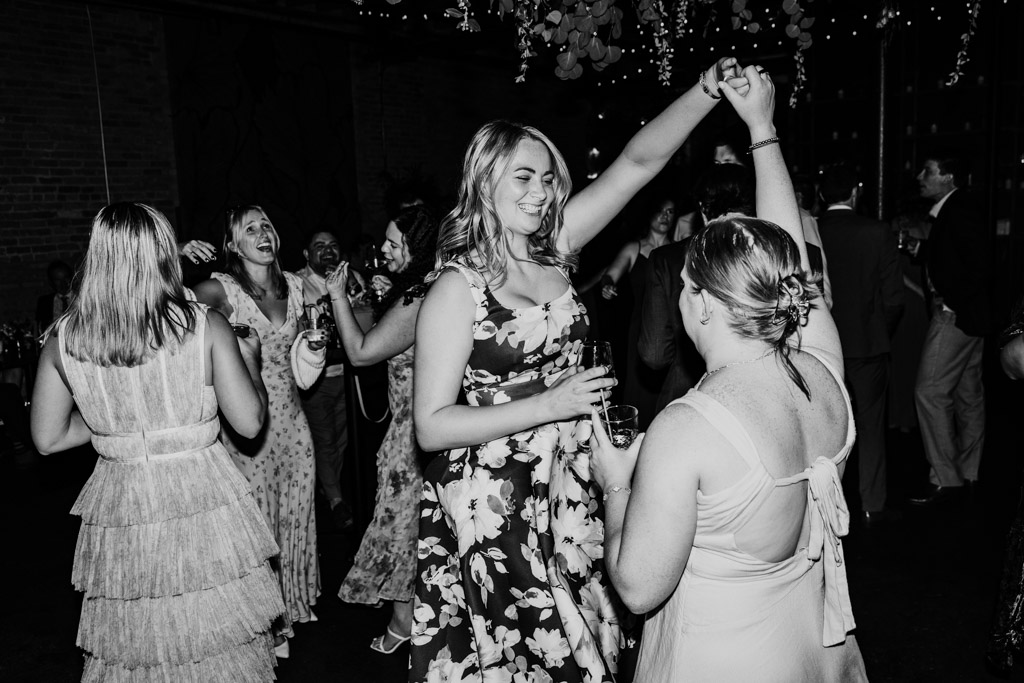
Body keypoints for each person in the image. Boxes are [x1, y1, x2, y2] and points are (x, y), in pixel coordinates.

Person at [411, 57, 750, 682]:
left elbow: (637, 165)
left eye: (548, 178)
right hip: (497, 497)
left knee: (581, 634)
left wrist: (706, 92)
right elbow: (430, 427)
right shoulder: (455, 290)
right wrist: (551, 403)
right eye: (523, 178)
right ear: (485, 182)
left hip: (569, 476)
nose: (541, 193)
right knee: (535, 648)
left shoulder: (557, 251)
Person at [591, 65, 868, 681]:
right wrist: (762, 129)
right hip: (810, 646)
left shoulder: (687, 427)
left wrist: (615, 485)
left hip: (721, 658)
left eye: (687, 287)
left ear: (707, 304)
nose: (683, 296)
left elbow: (638, 590)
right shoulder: (823, 371)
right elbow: (791, 260)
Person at [29, 202, 285, 680]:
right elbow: (249, 423)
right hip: (200, 496)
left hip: (122, 504)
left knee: (138, 638)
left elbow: (47, 438)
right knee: (212, 637)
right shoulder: (204, 324)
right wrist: (251, 359)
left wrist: (116, 428)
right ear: (164, 253)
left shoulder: (64, 338)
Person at [193, 205, 324, 649]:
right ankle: (262, 620)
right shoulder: (219, 288)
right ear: (233, 245)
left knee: (294, 519)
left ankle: (288, 608)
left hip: (292, 423)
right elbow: (171, 317)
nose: (263, 232)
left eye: (267, 224)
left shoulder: (298, 287)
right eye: (250, 228)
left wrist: (313, 347)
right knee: (257, 527)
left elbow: (302, 359)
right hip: (247, 429)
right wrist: (172, 259)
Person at [324, 205, 438, 655]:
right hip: (414, 430)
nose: (384, 250)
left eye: (394, 243)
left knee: (401, 526)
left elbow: (360, 353)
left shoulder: (417, 301)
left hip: (412, 437)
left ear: (417, 248)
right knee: (413, 526)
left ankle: (402, 624)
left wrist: (337, 296)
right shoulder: (423, 290)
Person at [818, 163, 904, 527]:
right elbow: (894, 298)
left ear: (822, 195)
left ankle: (824, 507)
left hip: (821, 346)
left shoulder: (812, 230)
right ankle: (872, 503)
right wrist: (877, 330)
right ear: (855, 192)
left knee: (823, 428)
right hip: (867, 344)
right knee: (870, 429)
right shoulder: (877, 231)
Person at [908, 152, 993, 506]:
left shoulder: (958, 210)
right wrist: (924, 249)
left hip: (956, 315)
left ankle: (946, 477)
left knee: (929, 392)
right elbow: (962, 254)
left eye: (928, 170)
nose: (919, 176)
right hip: (974, 316)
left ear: (948, 176)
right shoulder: (960, 207)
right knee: (968, 394)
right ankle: (970, 471)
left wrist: (952, 303)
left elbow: (980, 265)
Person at [638, 162, 755, 414]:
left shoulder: (667, 259)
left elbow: (654, 353)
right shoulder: (781, 253)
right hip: (760, 398)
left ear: (702, 209)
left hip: (687, 399)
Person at [297, 229, 362, 530]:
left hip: (350, 377)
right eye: (319, 246)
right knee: (325, 442)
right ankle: (335, 500)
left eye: (333, 245)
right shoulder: (296, 285)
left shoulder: (355, 279)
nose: (327, 251)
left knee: (343, 440)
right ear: (306, 254)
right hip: (318, 378)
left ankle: (330, 488)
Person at [596, 192, 677, 427]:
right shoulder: (635, 247)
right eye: (661, 210)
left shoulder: (677, 249)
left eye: (670, 211)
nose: (665, 216)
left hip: (674, 331)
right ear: (649, 214)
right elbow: (611, 274)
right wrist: (607, 286)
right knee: (639, 393)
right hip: (641, 329)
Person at [35, 260, 74, 333]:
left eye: (66, 278)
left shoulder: (82, 299)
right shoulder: (44, 302)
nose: (63, 283)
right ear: (51, 282)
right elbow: (39, 328)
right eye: (58, 280)